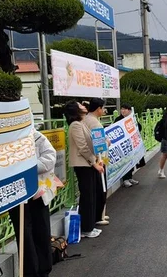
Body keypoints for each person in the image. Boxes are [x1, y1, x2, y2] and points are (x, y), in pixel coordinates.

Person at [8, 129, 56, 277]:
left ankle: (44, 270)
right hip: (15, 194)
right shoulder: (0, 138)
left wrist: (29, 167)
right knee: (24, 235)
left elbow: (50, 156)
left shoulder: (33, 134)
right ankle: (29, 272)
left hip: (37, 192)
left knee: (41, 230)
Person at [64, 101, 102, 239]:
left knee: (91, 195)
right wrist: (94, 163)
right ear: (76, 110)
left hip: (88, 164)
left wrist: (98, 159)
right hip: (83, 165)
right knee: (87, 197)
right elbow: (83, 147)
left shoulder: (81, 123)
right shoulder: (75, 125)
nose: (84, 106)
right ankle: (86, 228)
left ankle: (90, 226)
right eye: (80, 105)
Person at [83, 98, 109, 226]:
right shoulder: (94, 123)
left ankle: (100, 214)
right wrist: (102, 160)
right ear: (98, 108)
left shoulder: (87, 120)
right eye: (103, 108)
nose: (103, 111)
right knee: (100, 189)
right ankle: (99, 216)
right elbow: (98, 145)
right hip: (97, 159)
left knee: (97, 189)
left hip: (94, 159)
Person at [116, 104, 143, 187]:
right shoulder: (118, 119)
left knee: (131, 161)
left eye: (125, 109)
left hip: (132, 144)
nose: (123, 111)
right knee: (125, 162)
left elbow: (139, 127)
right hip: (123, 145)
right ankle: (125, 179)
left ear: (129, 110)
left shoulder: (132, 118)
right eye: (122, 109)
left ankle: (130, 177)